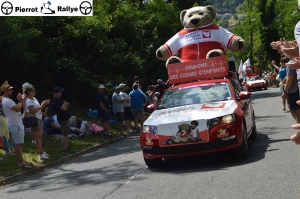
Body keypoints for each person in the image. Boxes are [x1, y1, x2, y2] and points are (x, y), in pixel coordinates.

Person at [0, 81, 31, 168]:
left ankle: (22, 162)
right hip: (15, 124)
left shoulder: (7, 100)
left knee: (19, 144)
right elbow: (17, 109)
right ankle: (21, 162)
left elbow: (18, 107)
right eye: (10, 89)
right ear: (6, 91)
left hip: (16, 123)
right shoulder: (7, 101)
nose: (11, 91)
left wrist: (22, 100)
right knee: (18, 144)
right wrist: (21, 100)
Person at [23, 83, 50, 160]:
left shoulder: (34, 99)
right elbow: (33, 111)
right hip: (34, 119)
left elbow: (38, 108)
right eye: (33, 90)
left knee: (40, 136)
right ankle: (40, 153)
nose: (35, 92)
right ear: (28, 92)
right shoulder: (28, 101)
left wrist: (43, 105)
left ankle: (42, 151)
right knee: (38, 137)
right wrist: (42, 106)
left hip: (39, 118)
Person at [51, 86, 71, 152]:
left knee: (66, 133)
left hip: (65, 118)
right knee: (64, 134)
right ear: (56, 93)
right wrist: (65, 105)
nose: (61, 93)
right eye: (59, 92)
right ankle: (64, 148)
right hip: (62, 118)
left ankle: (67, 146)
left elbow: (67, 103)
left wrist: (65, 104)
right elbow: (64, 108)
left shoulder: (60, 99)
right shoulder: (56, 101)